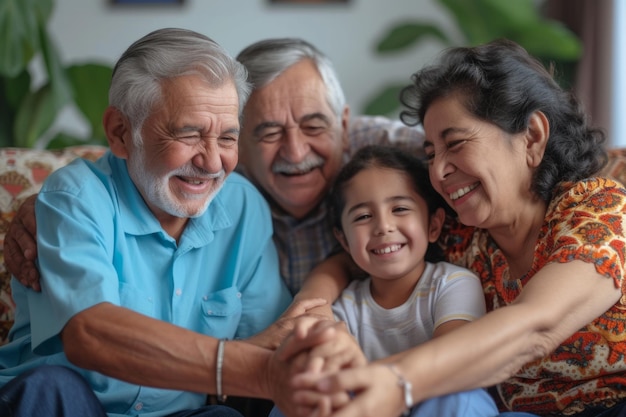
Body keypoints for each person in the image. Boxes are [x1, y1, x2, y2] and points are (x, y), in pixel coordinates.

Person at [279, 39, 626, 417]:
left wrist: (394, 382)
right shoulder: (461, 232)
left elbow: (535, 328)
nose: (439, 171)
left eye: (456, 144)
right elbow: (354, 256)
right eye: (430, 154)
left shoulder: (598, 212)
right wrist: (312, 306)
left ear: (533, 137)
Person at [0, 27, 315, 417]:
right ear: (120, 133)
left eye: (228, 138)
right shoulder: (74, 198)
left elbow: (268, 343)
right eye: (190, 134)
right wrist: (248, 368)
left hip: (177, 414)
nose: (213, 163)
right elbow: (90, 335)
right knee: (50, 389)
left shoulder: (242, 205)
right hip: (69, 405)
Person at [5, 38, 425, 300]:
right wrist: (46, 204)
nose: (296, 151)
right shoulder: (213, 173)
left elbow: (466, 144)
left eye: (314, 126)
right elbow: (143, 151)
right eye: (268, 132)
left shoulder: (382, 152)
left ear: (345, 124)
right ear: (239, 136)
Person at [273, 144, 502, 417]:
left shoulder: (452, 283)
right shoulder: (345, 306)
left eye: (400, 208)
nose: (383, 226)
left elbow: (451, 358)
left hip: (436, 400)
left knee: (459, 396)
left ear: (433, 226)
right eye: (363, 216)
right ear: (344, 241)